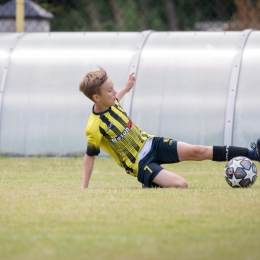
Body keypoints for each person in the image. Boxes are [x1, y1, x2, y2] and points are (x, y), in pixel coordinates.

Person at [79, 67, 260, 189]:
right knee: (181, 184)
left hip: (152, 143)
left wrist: (127, 87)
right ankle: (151, 181)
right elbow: (89, 157)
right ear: (96, 97)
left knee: (198, 150)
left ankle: (254, 154)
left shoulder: (111, 101)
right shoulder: (94, 127)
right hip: (142, 164)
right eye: (109, 90)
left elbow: (116, 97)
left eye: (113, 88)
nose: (114, 92)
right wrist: (84, 188)